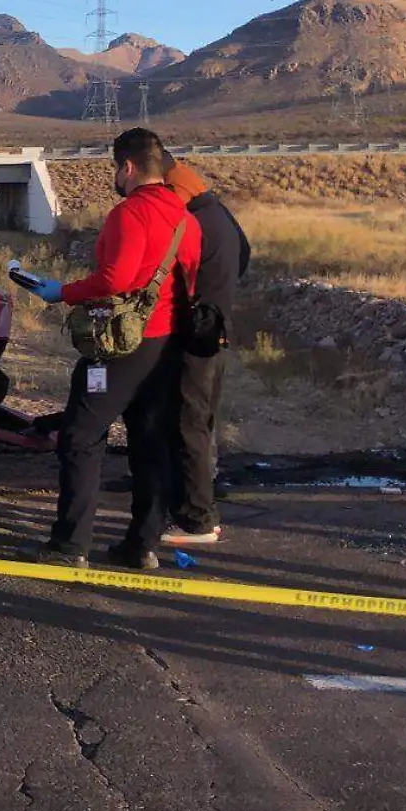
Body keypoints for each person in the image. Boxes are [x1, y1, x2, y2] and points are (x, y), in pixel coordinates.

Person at [20, 128, 202, 570]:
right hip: (167, 346)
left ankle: (70, 544)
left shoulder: (130, 214)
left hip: (121, 346)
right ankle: (141, 546)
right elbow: (192, 280)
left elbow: (117, 279)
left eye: (115, 169)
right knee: (150, 443)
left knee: (81, 437)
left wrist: (62, 291)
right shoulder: (186, 219)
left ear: (127, 166)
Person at [159, 155, 250, 546]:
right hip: (217, 331)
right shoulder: (221, 215)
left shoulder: (191, 221)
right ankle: (202, 499)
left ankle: (196, 519)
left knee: (188, 424)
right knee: (203, 422)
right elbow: (244, 256)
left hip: (196, 337)